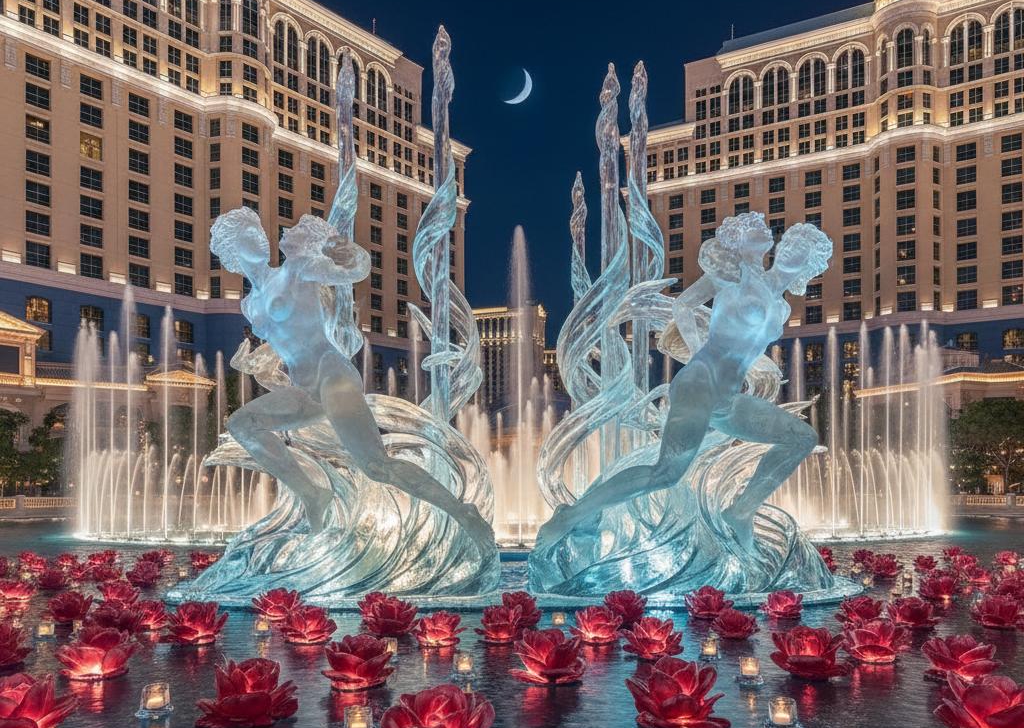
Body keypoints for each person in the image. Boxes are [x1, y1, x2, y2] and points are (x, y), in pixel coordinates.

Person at [536, 213, 832, 552]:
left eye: (804, 249)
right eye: (792, 241)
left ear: (810, 266)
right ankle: (572, 515)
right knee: (666, 472)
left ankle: (740, 512)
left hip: (728, 399)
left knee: (800, 438)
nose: (793, 249)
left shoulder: (779, 308)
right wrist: (695, 352)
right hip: (699, 384)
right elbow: (684, 305)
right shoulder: (732, 276)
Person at [210, 207, 494, 552]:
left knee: (376, 465)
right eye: (246, 235)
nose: (257, 238)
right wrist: (257, 360)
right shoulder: (249, 304)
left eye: (257, 230)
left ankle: (462, 512)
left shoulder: (295, 270)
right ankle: (312, 493)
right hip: (302, 388)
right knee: (243, 424)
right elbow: (284, 338)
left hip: (332, 371)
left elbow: (353, 271)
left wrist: (349, 252)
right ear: (232, 252)